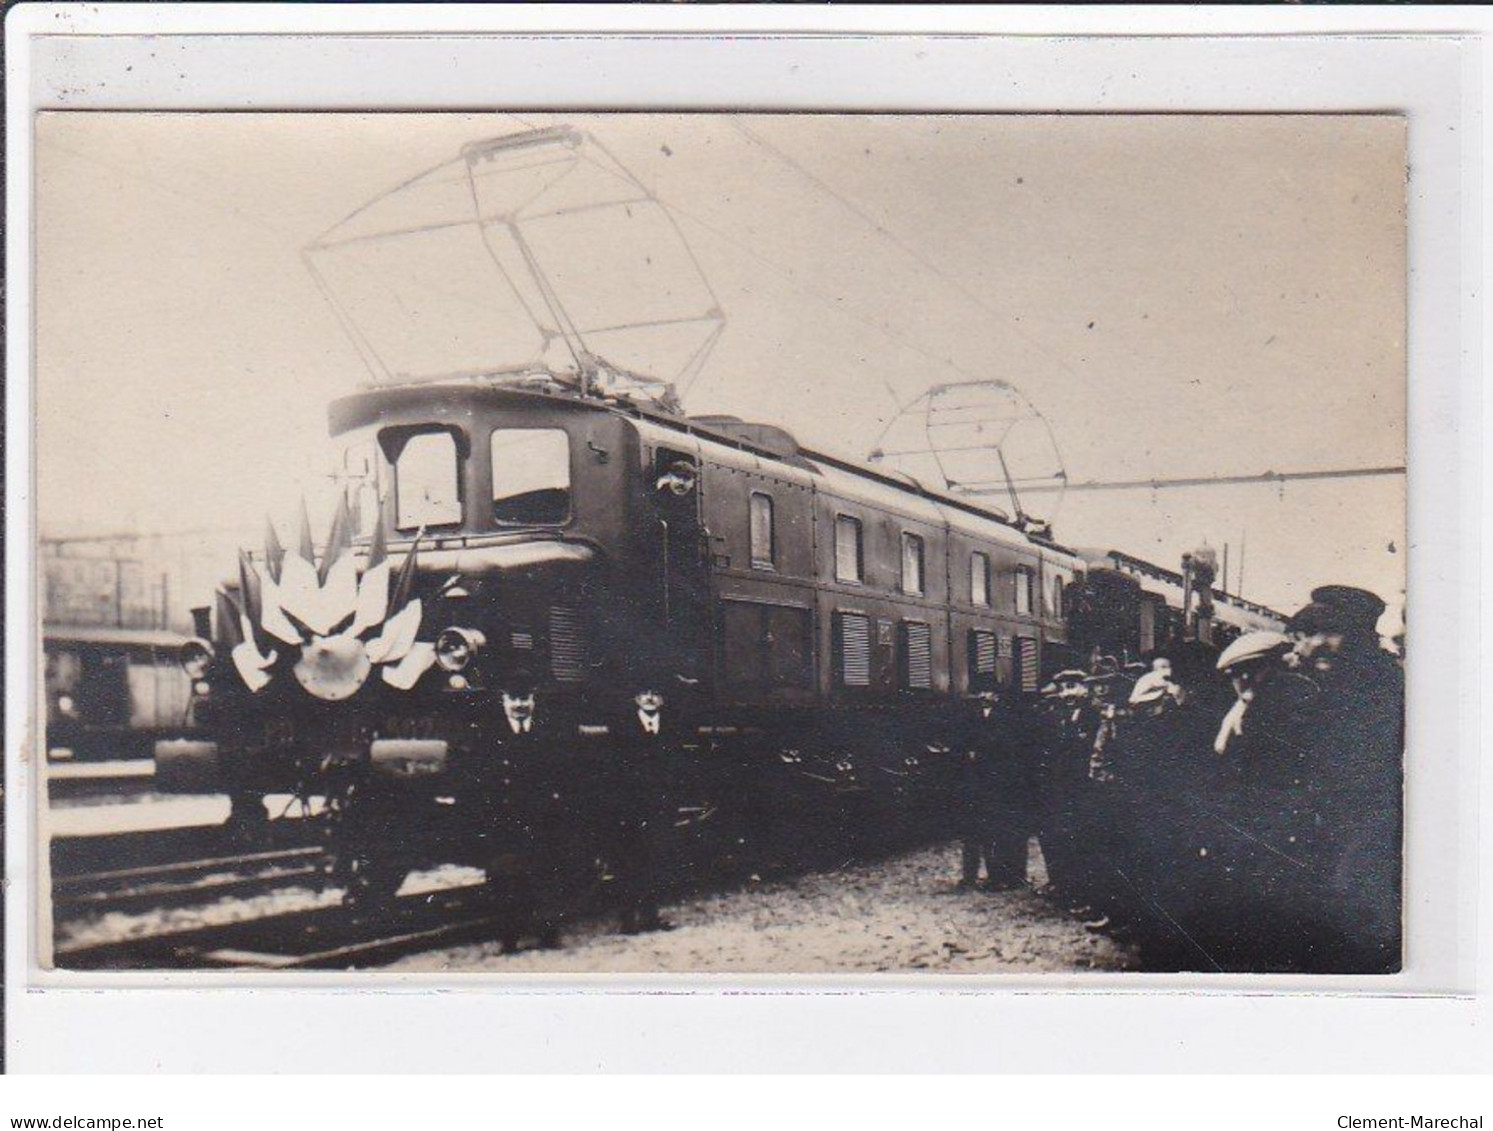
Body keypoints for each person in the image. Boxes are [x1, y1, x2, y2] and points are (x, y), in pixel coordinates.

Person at [1285, 585, 1404, 973]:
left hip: (1365, 823)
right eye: (1306, 635)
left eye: (1324, 633)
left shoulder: (1384, 687)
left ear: (1360, 637)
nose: (1310, 646)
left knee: (1350, 913)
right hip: (1325, 821)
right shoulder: (1323, 685)